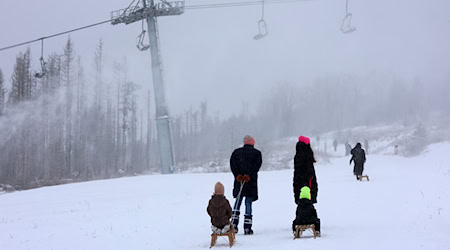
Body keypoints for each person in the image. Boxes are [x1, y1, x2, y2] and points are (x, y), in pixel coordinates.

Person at [230, 135, 262, 235]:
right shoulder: (257, 153)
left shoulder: (236, 152)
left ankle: (234, 225)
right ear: (252, 143)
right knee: (248, 202)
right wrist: (249, 175)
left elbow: (232, 165)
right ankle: (247, 227)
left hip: (239, 181)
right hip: (251, 182)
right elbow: (256, 166)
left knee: (238, 201)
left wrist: (238, 175)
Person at [293, 136, 318, 204]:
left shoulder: (299, 153)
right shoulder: (306, 153)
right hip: (307, 180)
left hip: (300, 180)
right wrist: (309, 175)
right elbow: (306, 166)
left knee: (302, 199)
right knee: (307, 199)